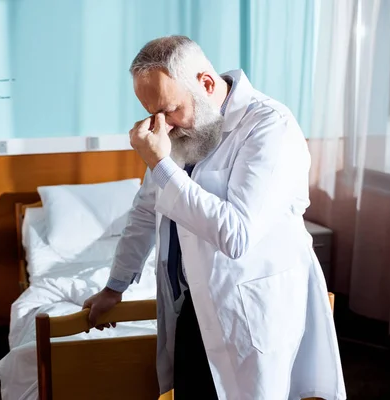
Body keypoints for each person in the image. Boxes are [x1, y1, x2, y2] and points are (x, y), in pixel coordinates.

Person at [82, 36, 346, 400]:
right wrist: (115, 287)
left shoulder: (269, 127)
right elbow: (145, 213)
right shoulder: (181, 133)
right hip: (193, 307)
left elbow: (236, 234)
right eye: (153, 114)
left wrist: (160, 164)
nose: (164, 127)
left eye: (170, 109)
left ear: (206, 84)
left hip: (251, 314)